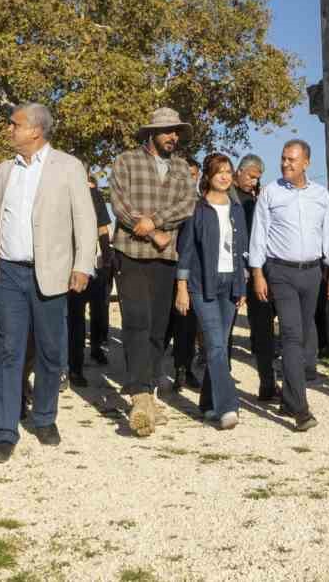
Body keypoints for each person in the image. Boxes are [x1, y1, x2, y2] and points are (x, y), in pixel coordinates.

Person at [0, 102, 96, 463]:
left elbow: (85, 219)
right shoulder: (2, 171)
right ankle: (4, 432)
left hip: (52, 273)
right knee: (9, 352)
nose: (8, 129)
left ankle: (45, 418)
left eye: (14, 124)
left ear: (35, 130)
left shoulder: (69, 167)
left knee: (49, 352)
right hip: (9, 274)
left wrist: (83, 265)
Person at [110, 107, 199, 436]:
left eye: (176, 131)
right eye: (167, 131)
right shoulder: (126, 161)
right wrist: (146, 229)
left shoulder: (180, 168)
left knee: (158, 328)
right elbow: (119, 203)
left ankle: (148, 390)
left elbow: (187, 205)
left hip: (165, 257)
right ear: (152, 134)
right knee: (136, 319)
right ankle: (139, 393)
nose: (173, 137)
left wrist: (155, 223)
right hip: (131, 252)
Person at [248, 139, 329, 432]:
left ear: (306, 163)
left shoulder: (320, 195)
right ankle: (301, 409)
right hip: (280, 272)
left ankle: (288, 396)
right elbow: (259, 234)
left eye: (292, 159)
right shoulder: (270, 193)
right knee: (290, 335)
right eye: (283, 158)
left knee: (302, 338)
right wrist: (257, 273)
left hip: (312, 273)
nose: (286, 164)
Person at [175, 153, 250, 429]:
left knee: (219, 347)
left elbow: (243, 250)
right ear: (208, 175)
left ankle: (207, 403)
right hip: (201, 283)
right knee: (216, 345)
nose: (225, 176)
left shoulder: (237, 209)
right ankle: (228, 406)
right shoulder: (197, 209)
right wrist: (181, 287)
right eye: (219, 171)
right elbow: (185, 251)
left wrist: (242, 285)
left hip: (230, 283)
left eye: (228, 171)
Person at [229, 153, 277, 398]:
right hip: (231, 269)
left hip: (257, 268)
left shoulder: (260, 199)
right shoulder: (225, 195)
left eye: (257, 179)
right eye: (250, 177)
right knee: (225, 327)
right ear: (238, 172)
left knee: (263, 328)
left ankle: (267, 382)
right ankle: (221, 379)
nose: (253, 182)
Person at [67, 175, 115, 387]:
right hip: (71, 266)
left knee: (99, 311)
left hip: (95, 265)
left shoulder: (94, 196)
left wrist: (106, 259)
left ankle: (96, 349)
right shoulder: (64, 196)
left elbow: (103, 228)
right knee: (75, 320)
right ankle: (74, 367)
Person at [164, 159, 203, 392]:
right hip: (167, 266)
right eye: (187, 174)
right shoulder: (170, 201)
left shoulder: (201, 204)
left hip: (191, 271)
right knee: (166, 323)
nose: (192, 178)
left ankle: (183, 369)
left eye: (194, 174)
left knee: (187, 323)